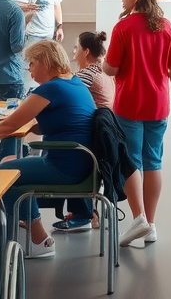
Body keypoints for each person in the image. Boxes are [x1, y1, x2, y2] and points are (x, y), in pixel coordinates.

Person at [0, 40, 148, 256]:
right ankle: (36, 237)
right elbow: (56, 123)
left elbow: (10, 125)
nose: (30, 69)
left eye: (32, 63)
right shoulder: (74, 82)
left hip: (65, 167)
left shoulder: (51, 88)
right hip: (85, 164)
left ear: (45, 61)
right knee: (9, 167)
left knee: (4, 174)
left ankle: (36, 241)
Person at [104, 0, 171, 248]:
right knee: (153, 161)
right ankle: (150, 225)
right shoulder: (166, 26)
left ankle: (138, 218)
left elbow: (112, 69)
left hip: (129, 104)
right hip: (158, 104)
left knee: (131, 162)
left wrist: (103, 65)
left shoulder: (123, 28)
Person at [51, 32, 117, 234]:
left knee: (63, 142)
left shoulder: (85, 75)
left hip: (91, 140)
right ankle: (84, 212)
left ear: (86, 51)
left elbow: (64, 93)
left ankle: (82, 214)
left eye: (76, 48)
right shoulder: (103, 71)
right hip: (105, 137)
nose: (73, 52)